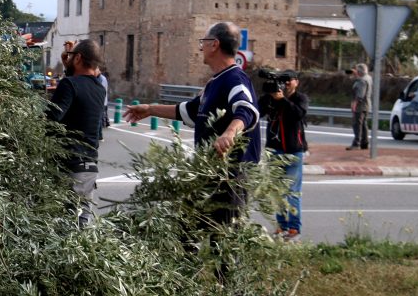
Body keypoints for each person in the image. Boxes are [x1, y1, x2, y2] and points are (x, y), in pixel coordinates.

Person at [122, 22, 262, 225]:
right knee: (186, 232)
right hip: (207, 173)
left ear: (214, 45)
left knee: (222, 240)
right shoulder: (215, 83)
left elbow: (246, 109)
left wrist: (229, 133)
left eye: (203, 42)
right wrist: (150, 109)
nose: (200, 48)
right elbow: (190, 111)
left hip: (229, 177)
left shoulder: (234, 78)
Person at [47, 39, 108, 225]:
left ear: (79, 58)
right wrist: (69, 68)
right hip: (89, 167)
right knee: (80, 229)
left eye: (72, 56)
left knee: (62, 227)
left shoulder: (69, 85)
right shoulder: (99, 89)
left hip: (68, 167)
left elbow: (51, 120)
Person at [258, 70, 309, 241]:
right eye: (283, 80)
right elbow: (258, 111)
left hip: (294, 151)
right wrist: (269, 97)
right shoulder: (271, 98)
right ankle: (282, 227)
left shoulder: (300, 98)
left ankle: (294, 229)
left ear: (297, 82)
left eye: (289, 80)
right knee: (277, 192)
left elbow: (298, 114)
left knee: (292, 191)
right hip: (274, 150)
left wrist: (282, 100)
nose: (285, 84)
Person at [349, 63, 372, 150]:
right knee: (363, 124)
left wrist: (354, 104)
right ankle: (364, 143)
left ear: (359, 71)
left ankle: (356, 143)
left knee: (357, 124)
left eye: (357, 70)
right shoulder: (368, 78)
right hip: (366, 105)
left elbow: (360, 95)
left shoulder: (362, 81)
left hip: (360, 106)